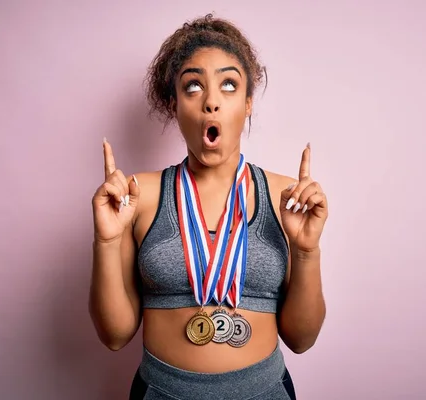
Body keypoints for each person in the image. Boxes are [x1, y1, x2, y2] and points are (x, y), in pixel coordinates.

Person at [89, 14, 328, 400]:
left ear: (248, 103)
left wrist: (306, 250)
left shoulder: (287, 197)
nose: (211, 102)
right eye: (194, 86)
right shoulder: (138, 196)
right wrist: (105, 240)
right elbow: (114, 336)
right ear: (174, 104)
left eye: (229, 85)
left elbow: (301, 339)